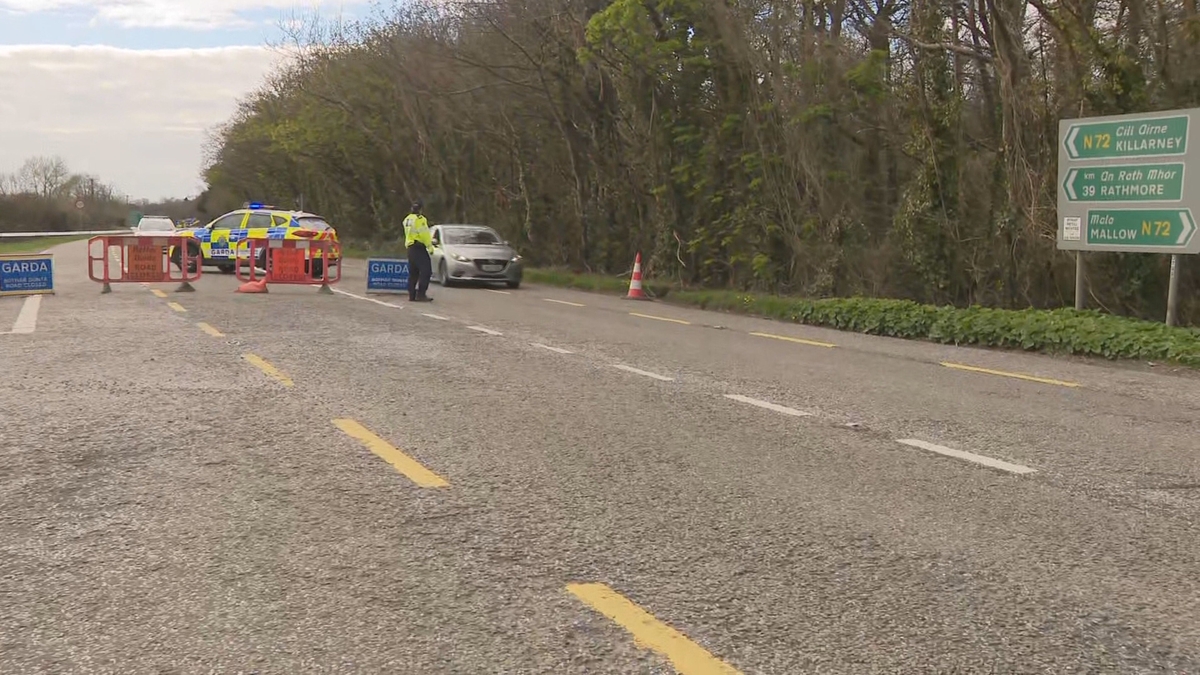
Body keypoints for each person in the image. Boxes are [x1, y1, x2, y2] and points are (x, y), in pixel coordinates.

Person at [403, 199, 433, 302]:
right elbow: (425, 235)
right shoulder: (420, 219)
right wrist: (430, 247)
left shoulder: (407, 219)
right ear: (420, 209)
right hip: (419, 247)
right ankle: (421, 294)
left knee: (413, 272)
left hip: (410, 248)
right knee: (426, 271)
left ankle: (411, 295)